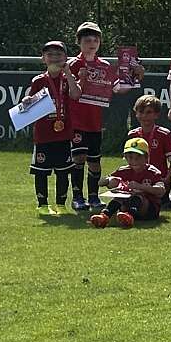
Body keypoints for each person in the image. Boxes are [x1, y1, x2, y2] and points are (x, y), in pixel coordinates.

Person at [26, 39, 79, 215]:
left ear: (66, 57)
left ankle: (61, 205)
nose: (55, 58)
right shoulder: (39, 80)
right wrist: (26, 100)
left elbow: (76, 94)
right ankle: (42, 205)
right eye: (50, 54)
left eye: (59, 54)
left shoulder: (68, 79)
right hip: (43, 135)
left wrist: (69, 73)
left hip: (63, 134)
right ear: (43, 59)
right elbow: (28, 103)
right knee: (41, 171)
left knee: (63, 171)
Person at [66, 21, 111, 213]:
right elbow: (68, 92)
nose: (91, 44)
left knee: (94, 161)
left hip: (94, 122)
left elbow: (117, 87)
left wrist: (134, 77)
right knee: (78, 158)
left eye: (95, 40)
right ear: (78, 42)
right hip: (76, 120)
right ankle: (77, 197)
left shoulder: (104, 66)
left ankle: (93, 196)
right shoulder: (72, 65)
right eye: (87, 40)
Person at [89, 137, 167, 228]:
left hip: (149, 210)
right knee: (119, 197)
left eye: (138, 157)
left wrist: (141, 187)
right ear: (125, 157)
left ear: (146, 158)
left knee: (138, 196)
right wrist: (108, 181)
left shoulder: (152, 172)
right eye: (130, 157)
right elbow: (105, 181)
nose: (134, 161)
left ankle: (129, 216)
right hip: (127, 204)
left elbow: (161, 190)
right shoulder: (123, 170)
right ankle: (104, 216)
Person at [128, 94, 171, 208]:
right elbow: (130, 161)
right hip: (138, 182)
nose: (144, 116)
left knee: (146, 204)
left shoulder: (164, 134)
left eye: (148, 112)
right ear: (136, 114)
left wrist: (166, 179)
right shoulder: (133, 134)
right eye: (141, 112)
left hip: (158, 182)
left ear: (156, 114)